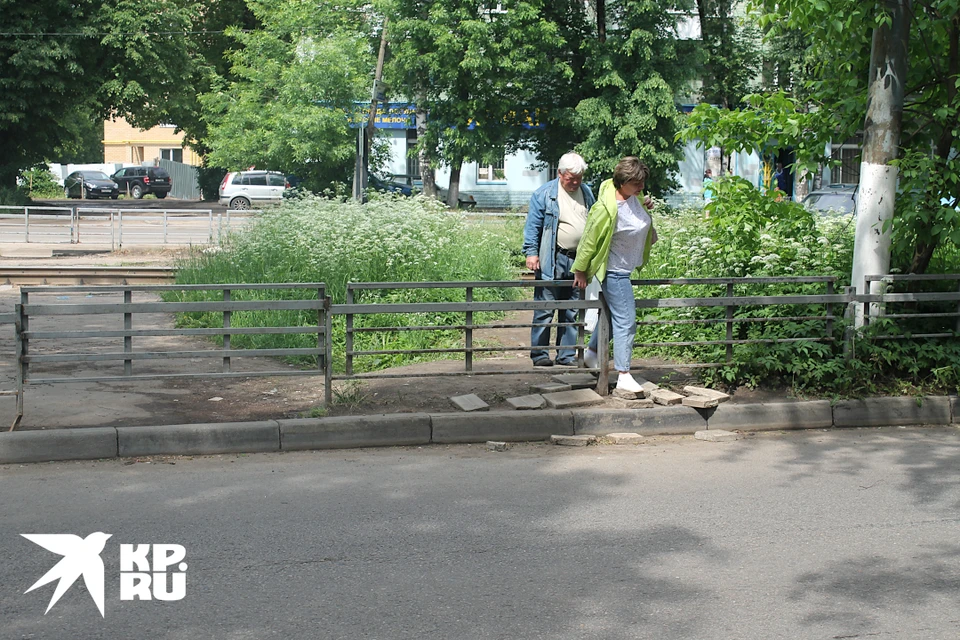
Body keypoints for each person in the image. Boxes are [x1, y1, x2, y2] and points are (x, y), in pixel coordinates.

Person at [572, 156, 657, 393]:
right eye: (637, 183)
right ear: (623, 181)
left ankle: (592, 353)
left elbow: (640, 218)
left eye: (642, 183)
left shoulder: (635, 197)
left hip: (625, 270)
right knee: (627, 321)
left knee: (610, 314)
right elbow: (589, 240)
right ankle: (624, 374)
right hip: (615, 272)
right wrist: (580, 269)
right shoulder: (605, 208)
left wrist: (645, 204)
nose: (641, 187)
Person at [522, 152, 596, 366]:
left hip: (578, 261)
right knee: (545, 308)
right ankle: (540, 355)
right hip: (552, 258)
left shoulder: (586, 191)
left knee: (572, 309)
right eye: (570, 178)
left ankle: (565, 355)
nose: (574, 183)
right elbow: (533, 226)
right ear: (560, 173)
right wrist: (531, 253)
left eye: (578, 178)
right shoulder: (544, 194)